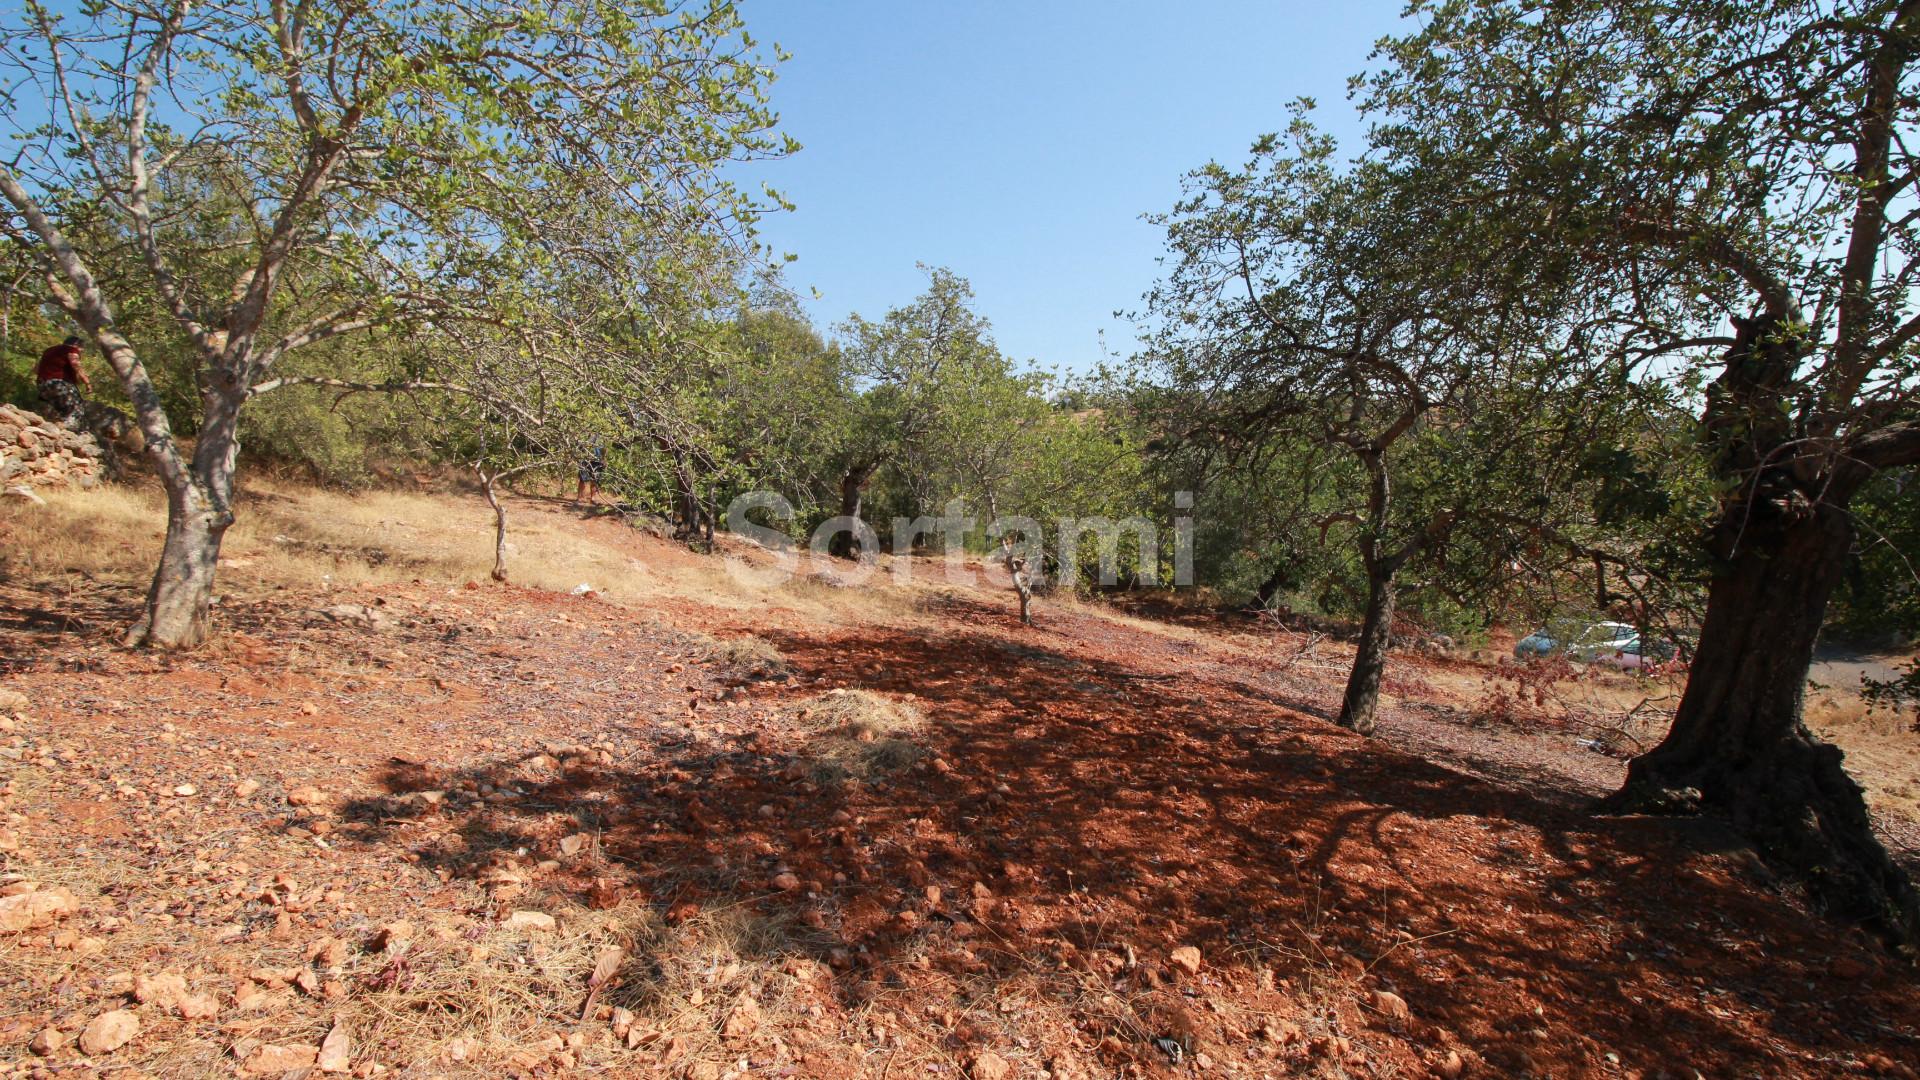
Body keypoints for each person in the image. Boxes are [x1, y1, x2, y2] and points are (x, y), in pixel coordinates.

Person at [35, 335, 90, 421]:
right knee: (76, 410)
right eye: (82, 349)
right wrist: (87, 382)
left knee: (54, 411)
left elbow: (36, 369)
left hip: (43, 384)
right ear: (77, 345)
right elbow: (75, 365)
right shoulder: (71, 349)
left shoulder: (49, 351)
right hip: (59, 384)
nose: (81, 352)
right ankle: (70, 431)